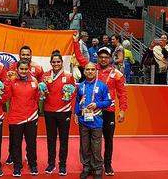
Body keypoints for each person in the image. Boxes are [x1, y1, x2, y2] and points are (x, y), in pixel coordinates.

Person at [73, 34, 127, 176]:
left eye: (106, 57)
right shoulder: (91, 69)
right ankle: (89, 166)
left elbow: (122, 93)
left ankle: (107, 165)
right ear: (97, 57)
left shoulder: (117, 74)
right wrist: (74, 43)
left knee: (107, 139)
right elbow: (79, 58)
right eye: (101, 56)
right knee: (89, 140)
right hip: (90, 111)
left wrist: (122, 110)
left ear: (110, 58)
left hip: (107, 110)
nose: (103, 59)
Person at [75, 62, 111, 179]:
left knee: (96, 147)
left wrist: (97, 104)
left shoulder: (102, 86)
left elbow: (108, 101)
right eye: (87, 69)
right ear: (84, 71)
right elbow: (77, 101)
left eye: (92, 69)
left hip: (97, 121)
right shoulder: (80, 86)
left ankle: (97, 169)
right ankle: (86, 168)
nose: (90, 71)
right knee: (84, 146)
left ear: (96, 71)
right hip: (83, 120)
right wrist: (76, 113)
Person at [42, 50, 76, 176]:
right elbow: (42, 91)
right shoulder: (46, 75)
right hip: (49, 111)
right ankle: (51, 164)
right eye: (53, 62)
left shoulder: (68, 75)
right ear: (51, 63)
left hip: (64, 112)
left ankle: (62, 165)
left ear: (62, 62)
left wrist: (70, 95)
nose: (56, 63)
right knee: (51, 139)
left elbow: (73, 92)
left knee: (63, 139)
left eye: (58, 61)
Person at [6, 59, 40, 177]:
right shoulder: (12, 81)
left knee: (31, 143)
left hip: (31, 117)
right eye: (21, 69)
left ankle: (33, 164)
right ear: (17, 69)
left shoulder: (34, 81)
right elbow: (6, 96)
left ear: (29, 69)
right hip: (16, 117)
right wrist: (8, 82)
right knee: (16, 143)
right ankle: (17, 166)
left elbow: (37, 98)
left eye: (26, 69)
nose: (24, 71)